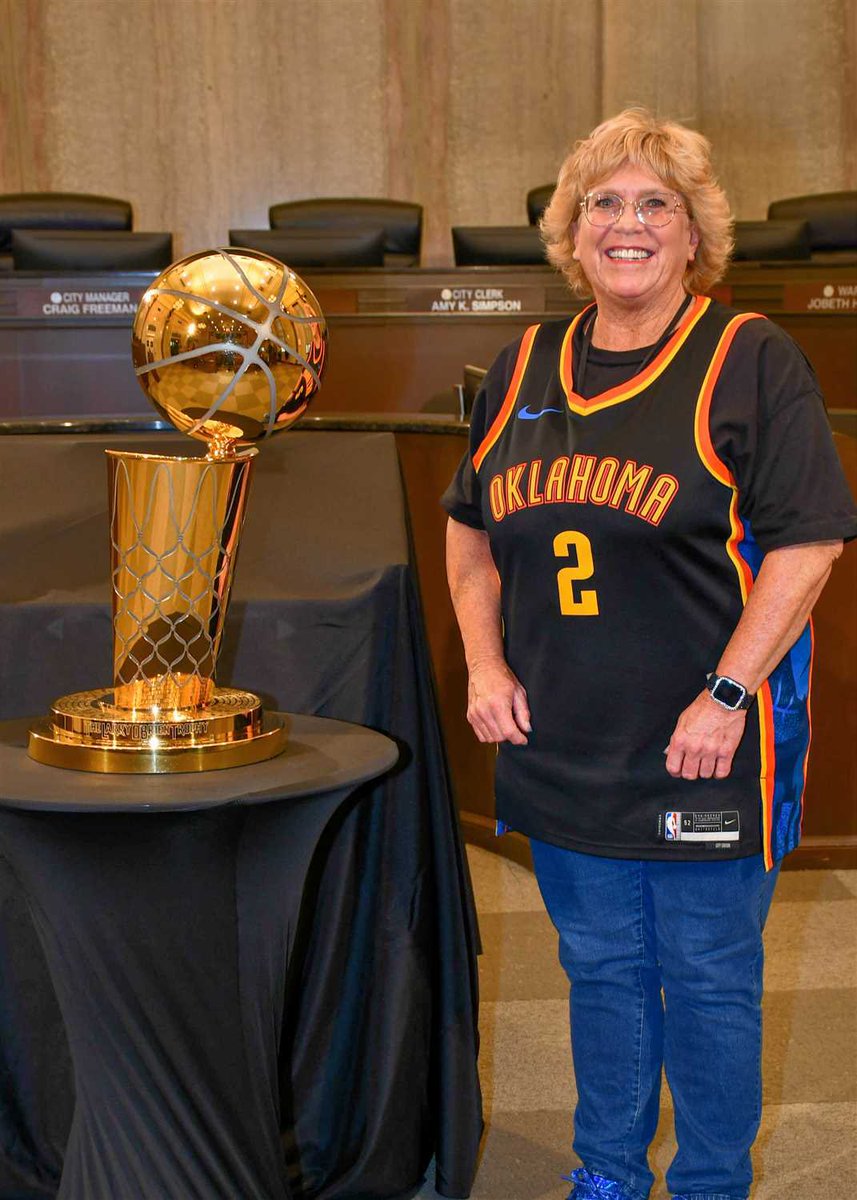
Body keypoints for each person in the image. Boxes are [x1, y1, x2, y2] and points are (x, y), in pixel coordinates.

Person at [442, 108, 857, 1200]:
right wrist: (484, 667)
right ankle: (610, 1175)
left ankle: (713, 1183)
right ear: (570, 233)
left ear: (691, 234)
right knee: (599, 973)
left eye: (653, 204)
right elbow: (469, 531)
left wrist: (725, 694)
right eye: (602, 204)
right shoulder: (520, 362)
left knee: (708, 980)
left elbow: (808, 544)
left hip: (703, 745)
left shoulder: (748, 358)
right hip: (563, 743)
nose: (625, 223)